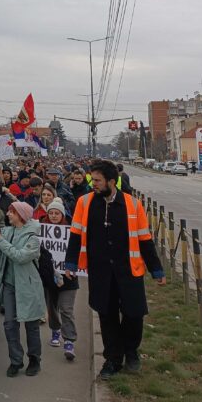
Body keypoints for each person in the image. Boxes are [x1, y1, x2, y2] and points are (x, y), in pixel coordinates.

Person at [65, 159, 164, 379]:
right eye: (92, 180)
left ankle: (131, 351)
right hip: (100, 271)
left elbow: (145, 239)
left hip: (129, 270)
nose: (93, 184)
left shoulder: (132, 205)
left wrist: (156, 269)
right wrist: (70, 263)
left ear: (111, 181)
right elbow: (76, 234)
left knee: (134, 314)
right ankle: (112, 359)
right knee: (107, 315)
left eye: (97, 180)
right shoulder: (84, 203)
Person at [0, 201, 46, 377]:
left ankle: (34, 359)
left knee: (31, 324)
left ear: (21, 215)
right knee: (10, 324)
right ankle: (16, 361)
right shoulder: (7, 232)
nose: (8, 214)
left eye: (12, 212)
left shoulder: (33, 238)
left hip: (28, 286)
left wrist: (0, 241)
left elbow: (19, 257)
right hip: (10, 285)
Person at [44, 199, 79, 361]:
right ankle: (55, 329)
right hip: (50, 279)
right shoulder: (42, 232)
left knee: (66, 309)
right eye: (51, 213)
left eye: (57, 213)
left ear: (62, 215)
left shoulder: (71, 232)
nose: (53, 216)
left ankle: (69, 341)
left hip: (69, 279)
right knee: (52, 308)